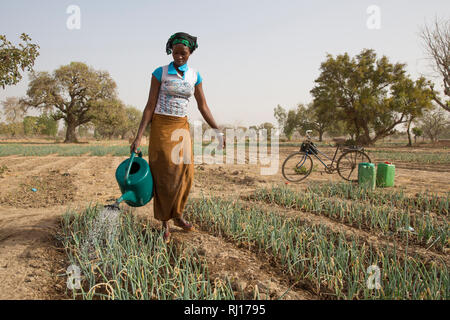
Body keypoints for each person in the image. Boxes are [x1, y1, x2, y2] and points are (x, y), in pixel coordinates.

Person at [130, 32, 224, 243]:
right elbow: (149, 106)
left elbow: (203, 106)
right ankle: (165, 223)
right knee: (165, 175)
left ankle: (178, 214)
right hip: (161, 126)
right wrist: (139, 137)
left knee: (186, 173)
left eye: (184, 53)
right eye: (175, 52)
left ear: (191, 53)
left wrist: (217, 129)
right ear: (170, 51)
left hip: (181, 126)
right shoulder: (160, 73)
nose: (179, 56)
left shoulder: (195, 76)